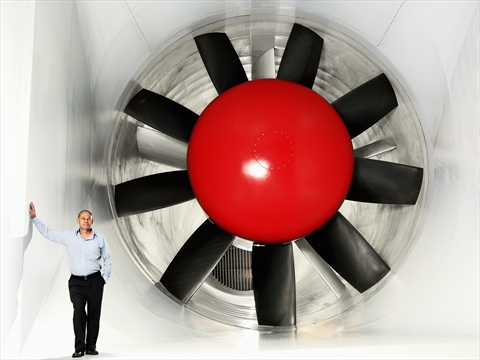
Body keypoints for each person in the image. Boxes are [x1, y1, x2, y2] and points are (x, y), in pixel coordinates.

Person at [29, 202, 112, 358]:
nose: (86, 221)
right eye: (83, 218)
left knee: (94, 314)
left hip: (95, 281)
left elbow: (107, 259)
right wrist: (35, 219)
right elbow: (49, 233)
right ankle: (79, 347)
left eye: (88, 218)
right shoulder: (68, 237)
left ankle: (91, 346)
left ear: (92, 221)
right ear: (77, 220)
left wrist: (103, 279)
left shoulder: (100, 238)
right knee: (79, 311)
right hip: (76, 282)